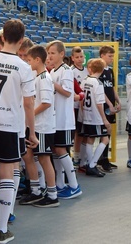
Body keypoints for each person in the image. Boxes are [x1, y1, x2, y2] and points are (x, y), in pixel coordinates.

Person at [0, 19, 38, 243]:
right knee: (7, 172)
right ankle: (2, 229)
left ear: (2, 38)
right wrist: (31, 132)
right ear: (21, 41)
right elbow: (29, 103)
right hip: (10, 125)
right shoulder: (24, 67)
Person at [20, 45, 60, 207]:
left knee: (44, 158)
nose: (27, 63)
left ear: (37, 60)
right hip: (34, 125)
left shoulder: (44, 79)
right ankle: (35, 190)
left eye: (29, 60)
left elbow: (46, 103)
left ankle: (52, 194)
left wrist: (29, 116)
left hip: (43, 126)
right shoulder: (37, 76)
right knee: (28, 155)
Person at [46, 41, 82, 198]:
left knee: (61, 150)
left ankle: (74, 185)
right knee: (55, 150)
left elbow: (67, 92)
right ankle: (60, 184)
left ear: (62, 54)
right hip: (55, 118)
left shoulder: (66, 71)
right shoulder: (53, 70)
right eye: (48, 53)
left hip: (64, 119)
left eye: (53, 53)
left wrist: (52, 84)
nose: (50, 56)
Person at [79, 58, 110, 177]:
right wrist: (104, 119)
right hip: (96, 117)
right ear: (102, 69)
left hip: (87, 114)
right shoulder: (98, 83)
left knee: (90, 140)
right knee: (105, 139)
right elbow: (99, 103)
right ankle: (92, 165)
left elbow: (82, 98)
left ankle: (89, 164)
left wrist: (84, 111)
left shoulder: (85, 80)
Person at [98, 46, 120, 172]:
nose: (112, 58)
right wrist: (109, 104)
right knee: (103, 132)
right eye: (109, 56)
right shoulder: (99, 70)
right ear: (102, 55)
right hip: (103, 106)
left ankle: (104, 158)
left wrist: (117, 100)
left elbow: (111, 87)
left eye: (113, 56)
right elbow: (100, 89)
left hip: (110, 105)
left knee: (108, 131)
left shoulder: (110, 71)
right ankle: (102, 159)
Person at [71, 47, 88, 168]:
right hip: (75, 105)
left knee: (83, 133)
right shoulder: (71, 71)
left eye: (81, 56)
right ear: (72, 58)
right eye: (77, 57)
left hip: (86, 106)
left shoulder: (87, 71)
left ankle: (83, 156)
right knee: (77, 133)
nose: (79, 59)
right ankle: (75, 156)